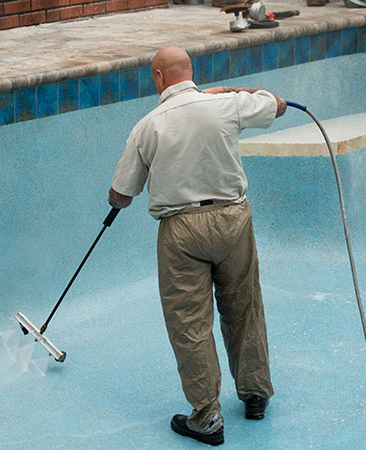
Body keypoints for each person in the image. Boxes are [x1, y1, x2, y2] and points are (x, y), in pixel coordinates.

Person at [108, 46, 286, 446]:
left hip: (181, 229)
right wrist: (230, 91)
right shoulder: (226, 105)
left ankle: (206, 418)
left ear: (159, 77)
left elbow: (121, 194)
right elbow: (276, 105)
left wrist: (115, 200)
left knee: (190, 323)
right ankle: (255, 394)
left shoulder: (147, 126)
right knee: (243, 306)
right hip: (232, 219)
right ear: (192, 72)